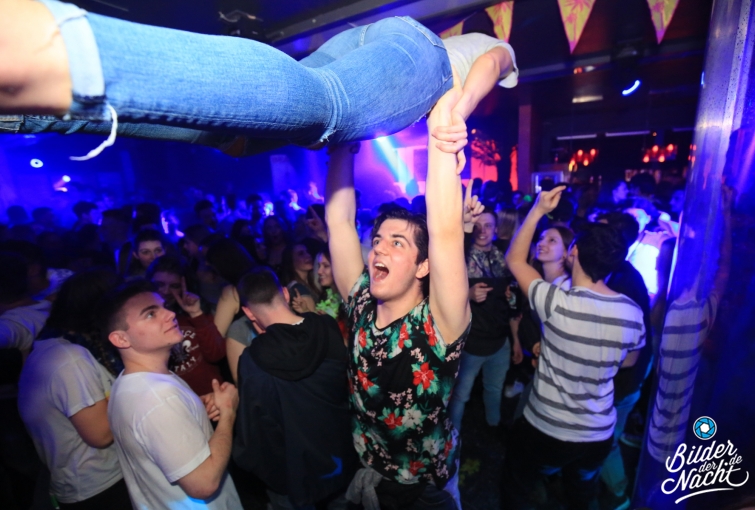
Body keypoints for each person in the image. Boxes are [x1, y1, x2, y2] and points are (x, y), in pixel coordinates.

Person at [0, 0, 516, 155]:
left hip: (377, 41)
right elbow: (494, 63)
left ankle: (30, 113)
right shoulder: (496, 48)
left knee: (233, 138)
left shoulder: (448, 45)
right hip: (420, 55)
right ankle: (53, 54)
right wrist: (457, 111)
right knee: (328, 104)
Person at [325, 89, 470, 509]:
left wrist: (441, 132)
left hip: (426, 488)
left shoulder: (438, 325)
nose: (379, 249)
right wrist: (343, 145)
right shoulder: (360, 302)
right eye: (378, 240)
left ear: (423, 266)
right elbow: (338, 222)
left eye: (397, 243)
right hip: (369, 470)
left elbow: (445, 233)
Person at [502, 185, 646, 510]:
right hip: (598, 434)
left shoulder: (556, 302)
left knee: (517, 488)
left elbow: (514, 258)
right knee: (581, 496)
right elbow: (627, 362)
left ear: (574, 251)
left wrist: (537, 210)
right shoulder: (632, 313)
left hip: (548, 427)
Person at [103, 280, 242, 509]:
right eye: (150, 314)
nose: (170, 314)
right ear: (121, 339)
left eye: (164, 307)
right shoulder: (157, 397)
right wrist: (228, 412)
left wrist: (192, 408)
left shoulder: (128, 382)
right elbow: (203, 484)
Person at [232, 267, 359, 509]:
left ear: (248, 312)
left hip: (293, 473)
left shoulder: (252, 360)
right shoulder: (326, 326)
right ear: (285, 293)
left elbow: (255, 430)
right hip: (340, 455)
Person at [18, 269, 131, 510]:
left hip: (98, 483)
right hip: (100, 488)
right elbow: (100, 434)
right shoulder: (69, 360)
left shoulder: (62, 346)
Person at [448, 205, 514, 432]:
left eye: (488, 226)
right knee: (460, 395)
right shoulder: (461, 256)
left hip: (500, 340)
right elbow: (442, 295)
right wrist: (467, 295)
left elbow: (512, 301)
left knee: (494, 388)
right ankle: (452, 437)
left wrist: (512, 296)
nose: (482, 231)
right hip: (472, 341)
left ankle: (493, 428)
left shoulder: (503, 257)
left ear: (496, 229)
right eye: (477, 226)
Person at [147, 256, 226, 396]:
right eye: (159, 284)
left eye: (174, 286)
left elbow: (216, 354)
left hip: (212, 399)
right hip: (175, 401)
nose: (166, 291)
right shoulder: (144, 322)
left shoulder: (196, 313)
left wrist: (196, 314)